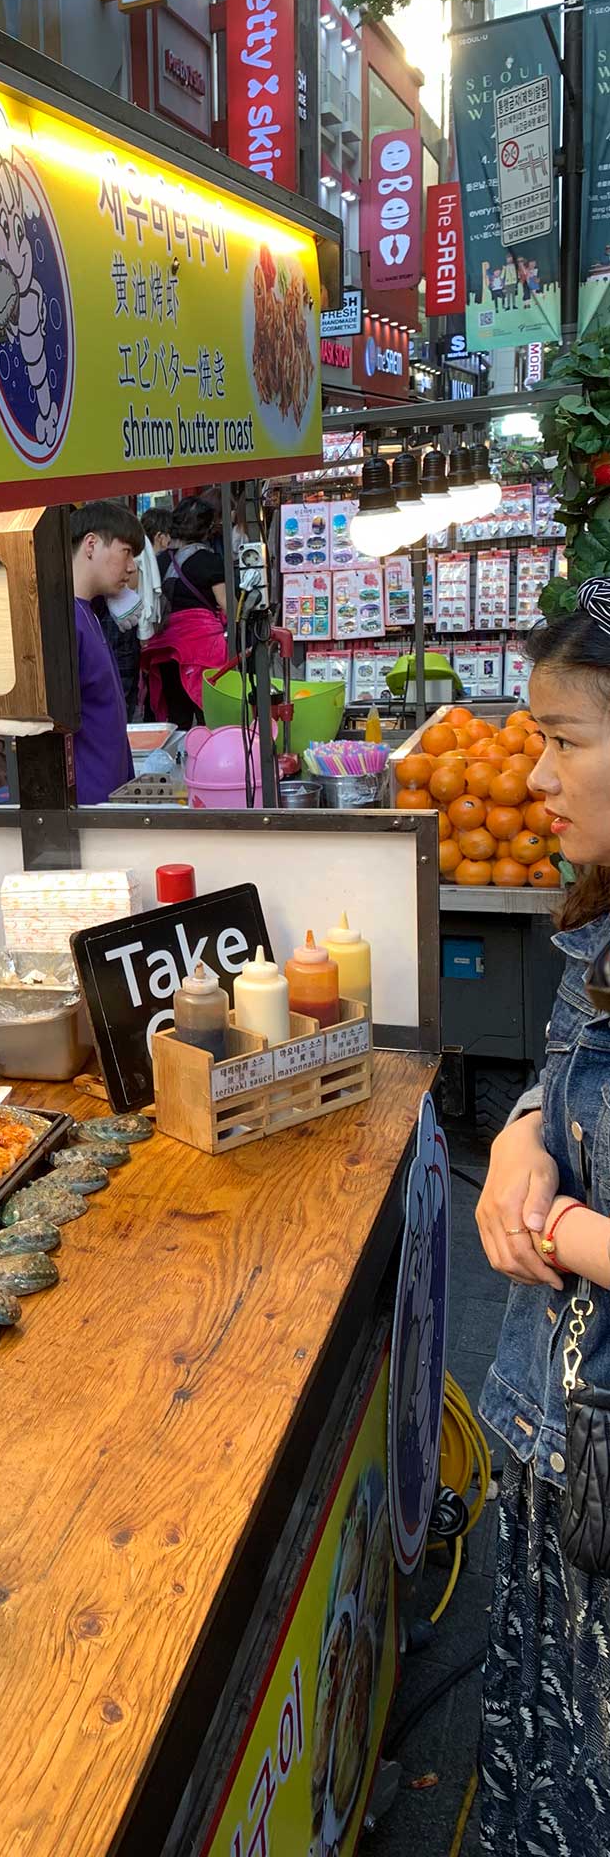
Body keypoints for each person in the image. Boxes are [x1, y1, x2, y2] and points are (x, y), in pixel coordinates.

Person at [470, 586, 610, 1850]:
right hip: (560, 1433)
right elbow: (568, 1068)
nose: (533, 770)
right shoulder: (599, 913)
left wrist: (559, 1229)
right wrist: (520, 1129)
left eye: (562, 738)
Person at [69, 503, 141, 802]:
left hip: (111, 790)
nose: (132, 567)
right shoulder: (66, 618)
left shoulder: (91, 612)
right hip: (88, 797)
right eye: (126, 551)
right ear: (91, 544)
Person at [140, 496, 228, 729]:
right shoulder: (210, 561)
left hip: (166, 647)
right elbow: (226, 603)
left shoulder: (158, 561)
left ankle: (182, 760)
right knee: (209, 714)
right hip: (202, 648)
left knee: (177, 716)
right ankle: (209, 758)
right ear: (207, 529)